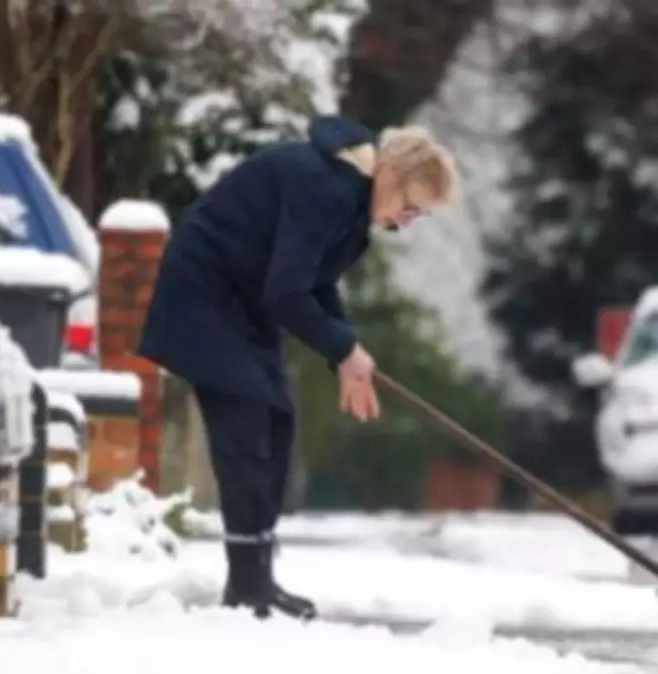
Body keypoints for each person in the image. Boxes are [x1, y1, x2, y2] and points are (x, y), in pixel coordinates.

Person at [138, 114, 458, 620]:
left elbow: (317, 283)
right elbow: (288, 293)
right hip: (206, 296)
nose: (405, 222)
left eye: (417, 215)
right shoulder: (323, 186)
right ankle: (248, 587)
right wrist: (345, 351)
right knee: (245, 428)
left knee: (276, 424)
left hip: (246, 305)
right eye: (409, 207)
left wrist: (345, 354)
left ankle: (257, 579)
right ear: (391, 175)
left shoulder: (350, 200)